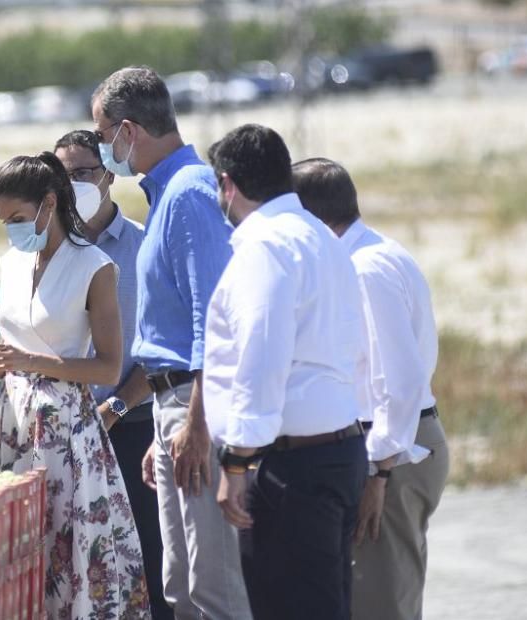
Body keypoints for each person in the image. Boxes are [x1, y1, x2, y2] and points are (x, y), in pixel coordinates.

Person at [0, 152, 151, 619]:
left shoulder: (94, 266)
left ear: (49, 204)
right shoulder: (12, 263)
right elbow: (16, 345)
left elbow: (108, 368)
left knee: (68, 554)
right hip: (11, 422)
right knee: (16, 554)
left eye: (18, 218)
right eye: (4, 220)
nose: (12, 229)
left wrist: (29, 360)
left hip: (64, 431)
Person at [91, 66, 250, 620]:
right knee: (181, 586)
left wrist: (196, 422)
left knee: (214, 587)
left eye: (103, 132)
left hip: (194, 403)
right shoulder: (166, 194)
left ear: (128, 131)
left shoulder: (189, 194)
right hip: (174, 405)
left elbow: (215, 319)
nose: (104, 148)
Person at [205, 125, 367, 620]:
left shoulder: (266, 246)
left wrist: (237, 461)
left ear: (228, 184)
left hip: (291, 465)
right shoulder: (318, 234)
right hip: (335, 448)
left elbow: (262, 354)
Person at [292, 158, 449, 620]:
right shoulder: (369, 254)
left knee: (381, 604)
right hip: (394, 444)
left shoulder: (364, 269)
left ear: (312, 218)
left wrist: (379, 471)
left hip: (393, 452)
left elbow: (400, 380)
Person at [53, 129, 171, 620]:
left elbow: (163, 347)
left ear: (107, 173)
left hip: (133, 431)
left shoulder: (145, 248)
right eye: (63, 175)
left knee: (149, 562)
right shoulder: (49, 253)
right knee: (80, 569)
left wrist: (116, 406)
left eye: (82, 172)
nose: (73, 183)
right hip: (68, 436)